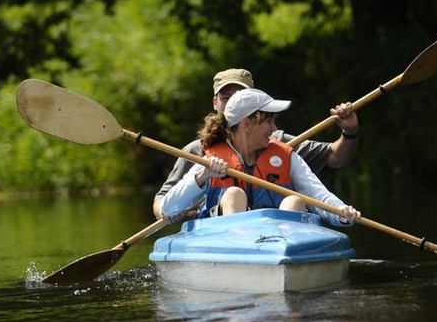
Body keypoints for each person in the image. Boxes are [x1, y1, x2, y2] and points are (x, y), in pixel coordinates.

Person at [152, 68, 359, 220]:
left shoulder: (285, 153)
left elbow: (317, 194)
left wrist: (340, 213)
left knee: (294, 201)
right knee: (234, 194)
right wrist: (203, 176)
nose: (273, 128)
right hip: (229, 239)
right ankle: (242, 253)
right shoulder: (207, 157)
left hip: (279, 240)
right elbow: (168, 208)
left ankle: (283, 261)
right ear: (246, 123)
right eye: (268, 121)